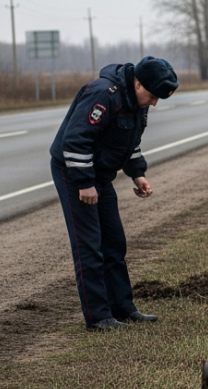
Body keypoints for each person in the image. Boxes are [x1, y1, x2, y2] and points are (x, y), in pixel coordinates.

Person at [49, 57, 178, 331]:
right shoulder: (102, 94)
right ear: (138, 82)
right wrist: (84, 183)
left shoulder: (136, 101)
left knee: (114, 242)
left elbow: (128, 142)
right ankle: (99, 318)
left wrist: (138, 173)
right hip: (74, 172)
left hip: (100, 174)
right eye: (153, 96)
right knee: (90, 246)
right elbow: (75, 140)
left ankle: (122, 307)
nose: (154, 103)